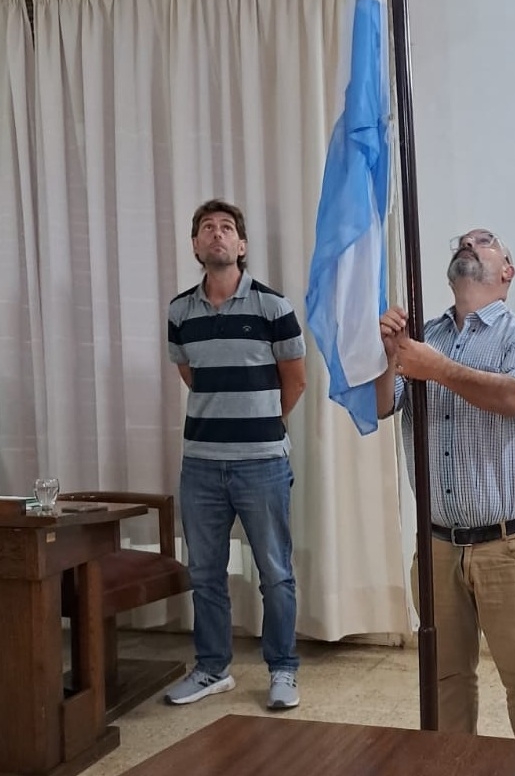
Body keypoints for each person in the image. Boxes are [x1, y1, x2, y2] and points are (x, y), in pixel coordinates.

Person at [376, 228, 515, 741]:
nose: (468, 243)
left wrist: (437, 369)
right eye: (462, 241)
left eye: (484, 240)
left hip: (510, 546)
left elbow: (514, 399)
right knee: (446, 678)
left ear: (507, 271)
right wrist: (389, 356)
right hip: (437, 545)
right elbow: (379, 405)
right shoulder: (421, 337)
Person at [164, 199, 308, 712]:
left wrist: (261, 420)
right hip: (200, 465)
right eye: (207, 228)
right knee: (204, 572)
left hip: (263, 462)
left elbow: (295, 380)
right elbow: (191, 375)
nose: (217, 234)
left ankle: (283, 669)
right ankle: (211, 668)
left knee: (276, 572)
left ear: (241, 245)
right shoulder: (180, 312)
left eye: (227, 228)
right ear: (196, 245)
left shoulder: (273, 307)